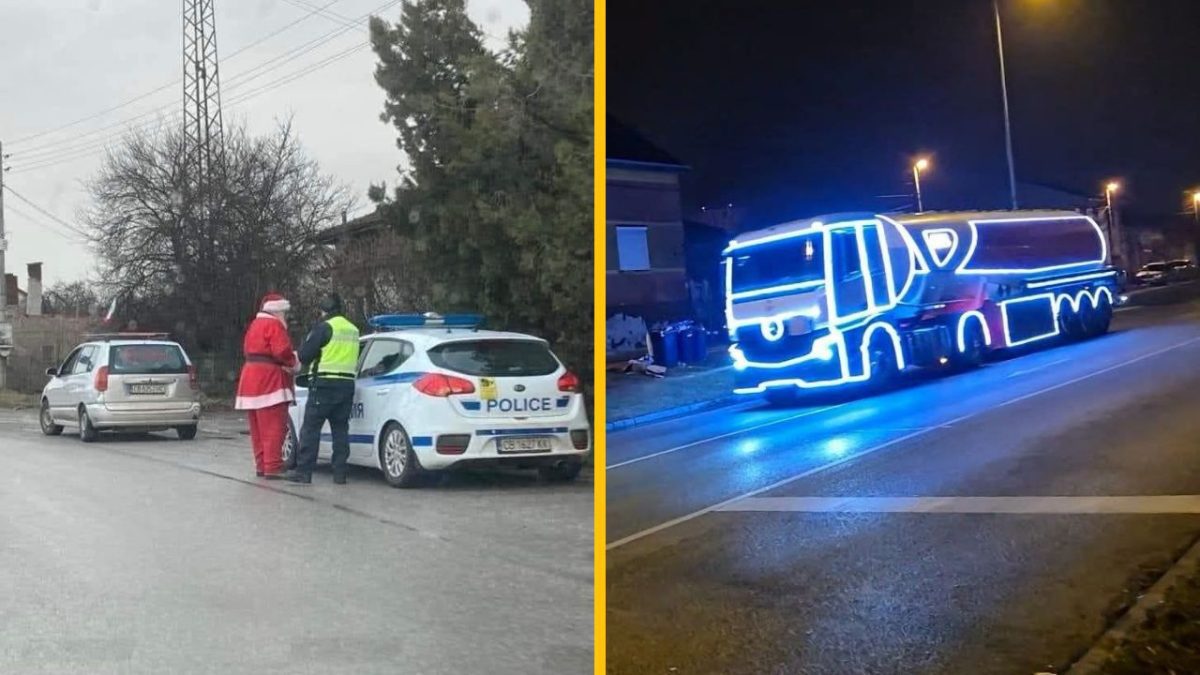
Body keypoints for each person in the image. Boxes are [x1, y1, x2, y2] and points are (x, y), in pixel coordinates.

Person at [285, 293, 360, 485]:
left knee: (311, 429)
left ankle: (304, 472)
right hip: (347, 386)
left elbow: (304, 355)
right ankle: (340, 474)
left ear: (324, 310)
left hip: (324, 386)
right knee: (340, 429)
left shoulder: (325, 327)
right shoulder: (353, 330)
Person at [235, 292, 300, 479]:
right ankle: (273, 466)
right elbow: (281, 351)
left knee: (256, 428)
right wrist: (293, 362)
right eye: (284, 313)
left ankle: (261, 465)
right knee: (273, 426)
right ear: (278, 311)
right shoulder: (274, 325)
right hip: (270, 380)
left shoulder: (254, 325)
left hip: (250, 378)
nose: (285, 317)